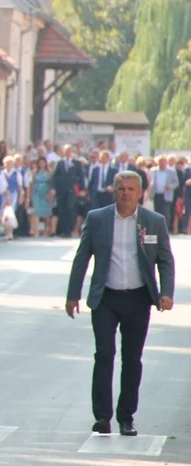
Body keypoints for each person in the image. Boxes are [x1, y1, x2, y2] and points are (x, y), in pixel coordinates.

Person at [66, 171, 175, 437]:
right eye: (121, 189)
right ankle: (102, 416)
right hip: (106, 298)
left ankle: (127, 417)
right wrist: (73, 294)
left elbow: (165, 260)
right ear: (113, 191)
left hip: (138, 298)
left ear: (140, 193)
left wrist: (166, 292)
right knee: (104, 354)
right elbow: (82, 258)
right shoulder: (98, 219)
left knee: (132, 359)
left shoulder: (153, 221)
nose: (125, 193)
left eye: (131, 189)